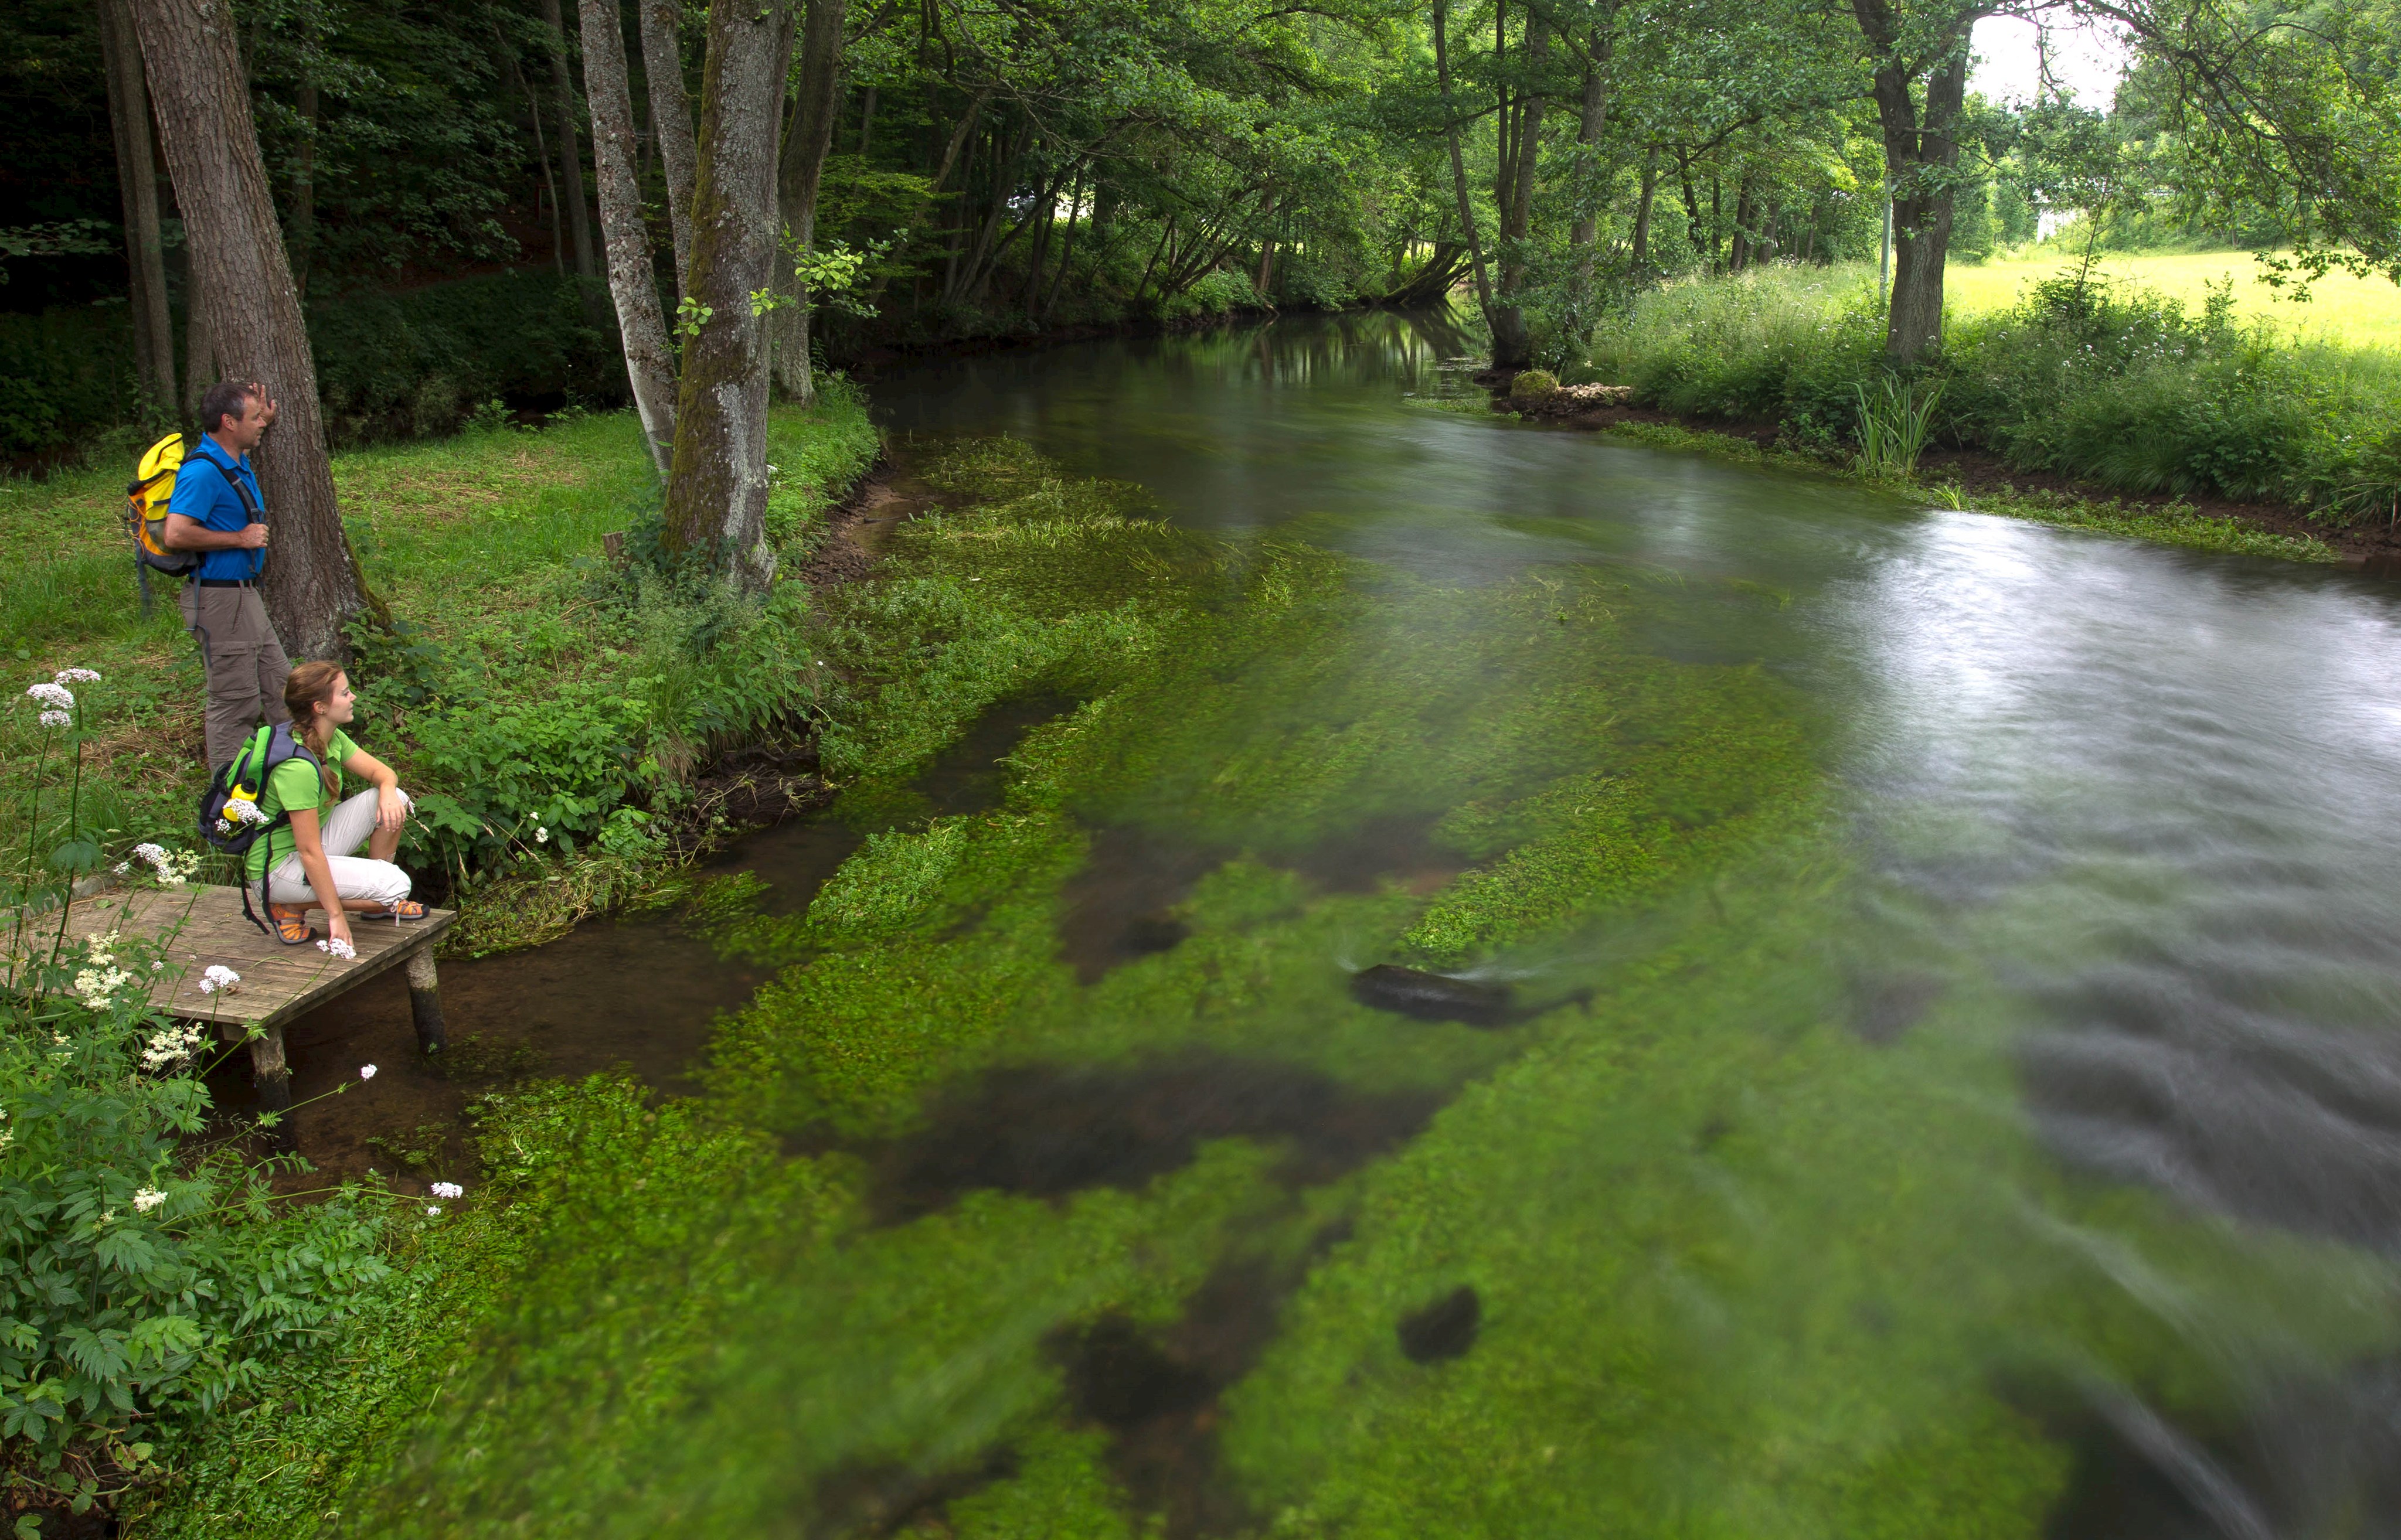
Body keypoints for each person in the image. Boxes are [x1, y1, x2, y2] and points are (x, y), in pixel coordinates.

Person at [251, 661, 426, 946]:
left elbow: (382, 773)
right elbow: (309, 852)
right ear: (320, 707)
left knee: (396, 798)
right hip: (276, 870)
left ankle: (377, 895)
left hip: (305, 848)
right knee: (397, 885)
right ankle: (289, 905)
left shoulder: (330, 737)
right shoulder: (297, 768)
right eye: (345, 693)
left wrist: (386, 788)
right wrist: (336, 915)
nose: (353, 697)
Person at [165, 379, 288, 769]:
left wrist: (260, 417)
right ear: (228, 422)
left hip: (244, 596)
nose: (262, 423)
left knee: (282, 688)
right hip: (220, 601)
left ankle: (296, 775)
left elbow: (246, 443)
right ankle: (228, 807)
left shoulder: (232, 459)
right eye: (254, 418)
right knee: (235, 704)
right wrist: (241, 537)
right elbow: (175, 533)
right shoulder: (202, 472)